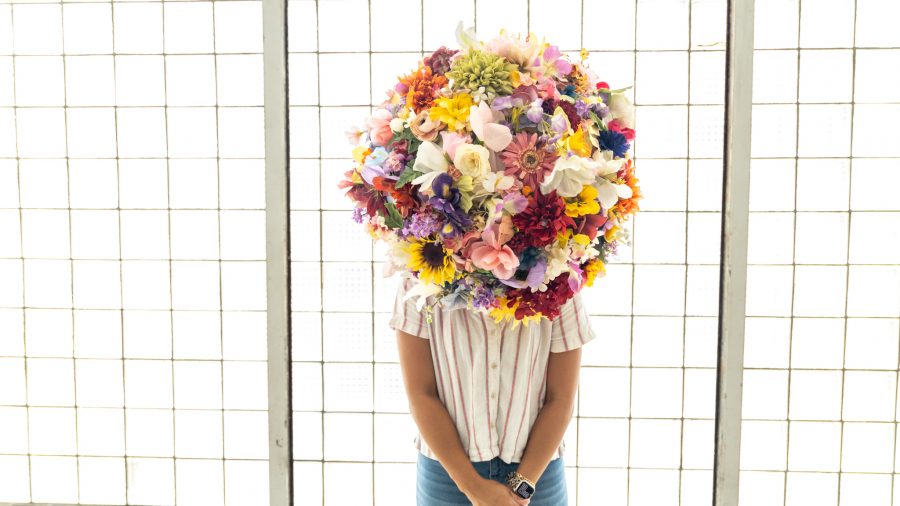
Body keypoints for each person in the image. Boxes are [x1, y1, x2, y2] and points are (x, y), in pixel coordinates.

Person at [390, 275, 597, 506]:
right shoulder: (417, 281)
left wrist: (522, 488)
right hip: (446, 474)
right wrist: (472, 487)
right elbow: (421, 393)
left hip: (539, 471)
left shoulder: (561, 280)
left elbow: (561, 398)